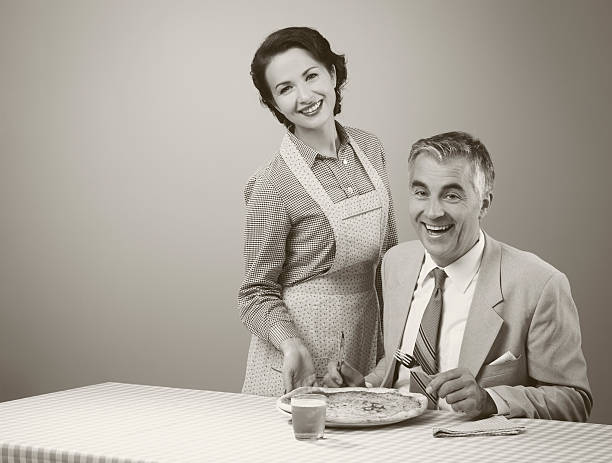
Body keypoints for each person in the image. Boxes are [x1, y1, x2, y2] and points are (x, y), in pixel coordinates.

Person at [325, 131, 592, 421]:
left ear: (485, 203)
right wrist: (365, 388)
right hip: (394, 444)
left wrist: (490, 400)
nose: (433, 212)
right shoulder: (395, 263)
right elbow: (398, 368)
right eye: (421, 192)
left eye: (452, 195)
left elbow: (574, 401)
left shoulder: (539, 284)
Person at [239, 26, 398, 396]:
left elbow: (390, 259)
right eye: (286, 88)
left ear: (333, 73)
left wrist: (394, 347)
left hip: (361, 351)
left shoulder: (371, 148)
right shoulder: (272, 184)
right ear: (274, 104)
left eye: (311, 76)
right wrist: (291, 344)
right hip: (292, 361)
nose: (305, 96)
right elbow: (254, 293)